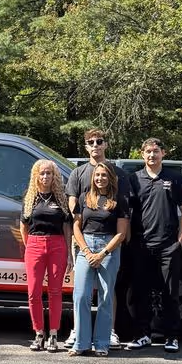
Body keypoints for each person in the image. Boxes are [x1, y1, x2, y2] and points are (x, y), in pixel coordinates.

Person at [64, 130, 131, 349]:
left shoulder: (119, 173)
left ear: (105, 144)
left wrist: (119, 242)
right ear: (86, 146)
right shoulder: (79, 173)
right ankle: (79, 334)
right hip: (84, 239)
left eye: (99, 141)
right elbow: (73, 206)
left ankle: (107, 335)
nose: (95, 145)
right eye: (91, 142)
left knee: (107, 292)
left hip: (110, 241)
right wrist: (80, 241)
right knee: (80, 293)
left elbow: (125, 212)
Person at [126, 138, 182, 353]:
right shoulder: (134, 179)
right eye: (148, 152)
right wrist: (128, 241)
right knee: (140, 292)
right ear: (141, 154)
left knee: (170, 292)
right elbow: (126, 213)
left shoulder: (175, 178)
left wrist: (180, 241)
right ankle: (142, 334)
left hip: (167, 246)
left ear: (163, 153)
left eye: (156, 151)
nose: (152, 155)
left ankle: (172, 336)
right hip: (141, 245)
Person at [20, 160, 71, 351]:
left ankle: (54, 335)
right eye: (42, 173)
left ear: (54, 176)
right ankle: (39, 333)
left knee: (55, 292)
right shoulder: (29, 197)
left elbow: (67, 226)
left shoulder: (61, 197)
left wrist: (69, 252)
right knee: (33, 293)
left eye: (49, 173)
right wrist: (30, 246)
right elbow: (23, 226)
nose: (45, 177)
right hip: (34, 245)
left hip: (57, 244)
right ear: (36, 175)